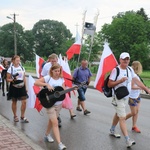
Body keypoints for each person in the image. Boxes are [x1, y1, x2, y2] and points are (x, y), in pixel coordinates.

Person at [108, 52, 150, 148]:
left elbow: (136, 81)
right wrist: (120, 81)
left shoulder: (130, 69)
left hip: (125, 96)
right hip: (117, 97)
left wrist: (146, 89)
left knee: (118, 114)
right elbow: (109, 84)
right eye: (124, 59)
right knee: (122, 117)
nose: (126, 60)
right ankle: (127, 140)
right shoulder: (116, 70)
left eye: (127, 59)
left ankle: (112, 130)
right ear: (120, 60)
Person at [34, 64, 66, 150]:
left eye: (58, 71)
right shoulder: (48, 78)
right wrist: (46, 84)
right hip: (49, 104)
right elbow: (36, 82)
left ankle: (47, 135)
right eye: (55, 71)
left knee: (52, 121)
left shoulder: (62, 79)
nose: (57, 72)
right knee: (55, 123)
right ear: (52, 70)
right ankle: (60, 144)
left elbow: (63, 90)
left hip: (58, 104)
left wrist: (71, 89)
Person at [6, 55, 29, 123]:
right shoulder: (11, 69)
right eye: (17, 60)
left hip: (22, 86)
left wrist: (26, 87)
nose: (18, 62)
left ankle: (22, 116)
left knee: (24, 102)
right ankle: (15, 116)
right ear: (13, 61)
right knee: (14, 101)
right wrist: (12, 79)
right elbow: (7, 79)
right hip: (14, 87)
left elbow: (24, 78)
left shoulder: (22, 67)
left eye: (19, 60)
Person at [126, 61, 143, 133]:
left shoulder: (136, 75)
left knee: (137, 111)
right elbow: (132, 87)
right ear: (138, 67)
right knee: (133, 112)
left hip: (137, 95)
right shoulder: (132, 76)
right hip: (132, 96)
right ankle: (122, 119)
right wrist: (140, 87)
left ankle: (134, 126)